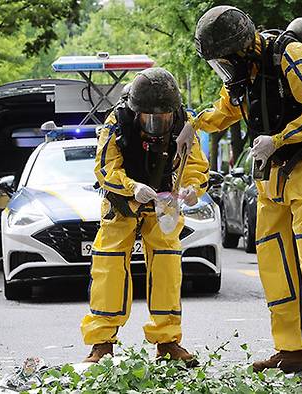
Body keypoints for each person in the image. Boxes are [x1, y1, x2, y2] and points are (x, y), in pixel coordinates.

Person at [179, 6, 302, 377]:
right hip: (271, 179)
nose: (223, 67)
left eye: (223, 59)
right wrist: (193, 124)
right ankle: (293, 349)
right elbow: (225, 111)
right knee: (276, 265)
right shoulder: (243, 74)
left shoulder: (290, 56)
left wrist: (277, 140)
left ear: (241, 48)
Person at [80, 67, 209, 366]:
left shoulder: (184, 124)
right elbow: (105, 168)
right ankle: (102, 344)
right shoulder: (117, 122)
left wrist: (192, 188)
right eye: (150, 118)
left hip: (163, 201)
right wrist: (131, 187)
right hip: (123, 202)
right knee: (109, 266)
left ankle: (167, 342)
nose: (157, 124)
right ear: (136, 112)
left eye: (163, 118)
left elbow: (195, 165)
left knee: (166, 266)